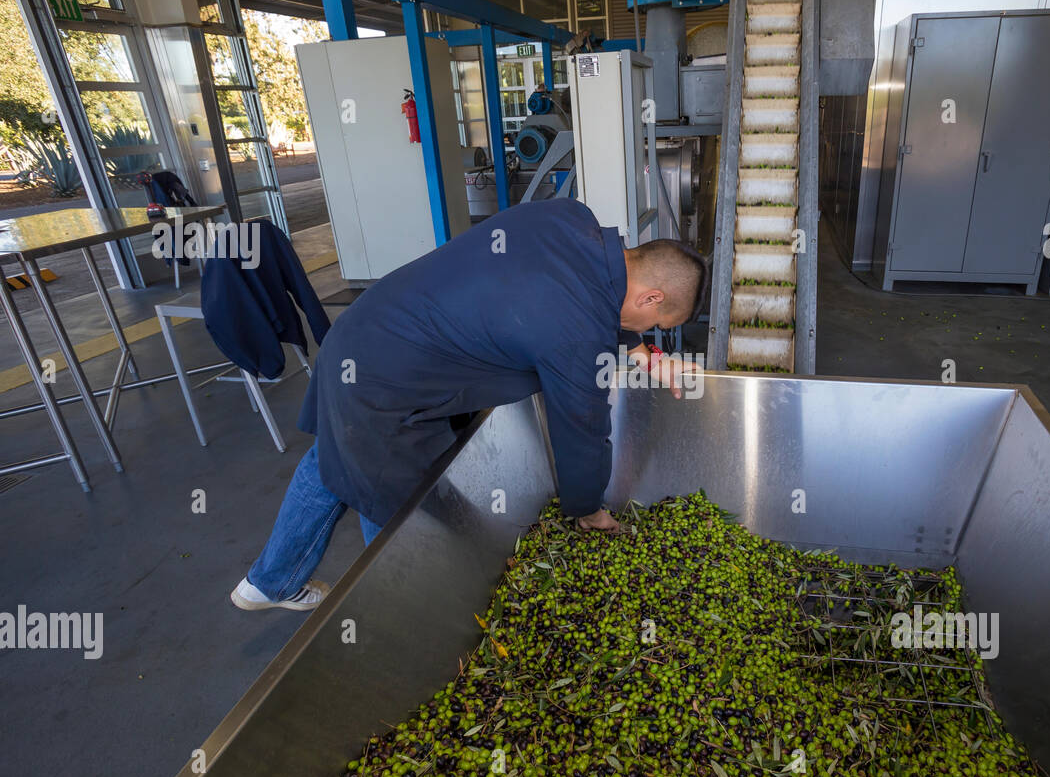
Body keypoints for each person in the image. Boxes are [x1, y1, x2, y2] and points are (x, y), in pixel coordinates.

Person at [231, 198, 708, 611]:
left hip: (359, 336)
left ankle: (269, 583)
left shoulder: (571, 220)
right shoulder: (575, 335)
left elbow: (598, 299)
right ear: (651, 295)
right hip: (383, 387)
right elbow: (581, 428)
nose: (646, 332)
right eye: (654, 323)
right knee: (395, 508)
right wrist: (587, 509)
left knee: (331, 461)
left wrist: (650, 358)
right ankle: (393, 617)